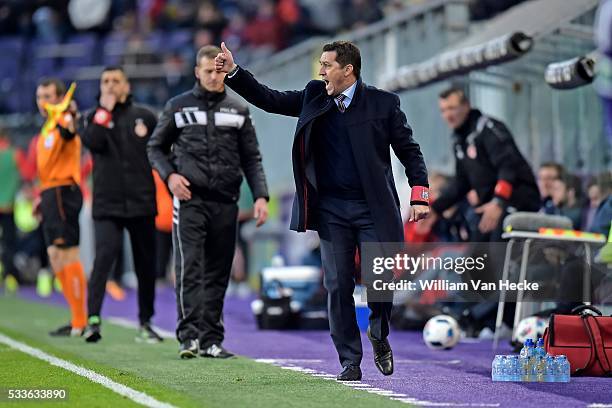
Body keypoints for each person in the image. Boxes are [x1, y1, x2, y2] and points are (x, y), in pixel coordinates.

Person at [215, 40, 430, 380]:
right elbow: (270, 100)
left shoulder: (383, 103)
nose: (321, 71)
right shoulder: (315, 95)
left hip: (374, 208)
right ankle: (350, 360)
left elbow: (409, 151)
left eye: (327, 65)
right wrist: (235, 73)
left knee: (380, 283)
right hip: (332, 210)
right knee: (337, 284)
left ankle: (379, 333)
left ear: (348, 70)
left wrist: (419, 193)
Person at [148, 45, 270, 359]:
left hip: (226, 202)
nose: (215, 77)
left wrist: (260, 196)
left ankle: (212, 340)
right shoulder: (177, 106)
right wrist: (170, 178)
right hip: (190, 200)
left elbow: (252, 158)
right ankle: (188, 337)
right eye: (209, 71)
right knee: (190, 267)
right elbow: (156, 148)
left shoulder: (238, 110)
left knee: (218, 271)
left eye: (219, 71)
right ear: (196, 73)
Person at [81, 66, 162, 344]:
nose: (111, 85)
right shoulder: (93, 118)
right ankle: (92, 320)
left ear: (127, 85)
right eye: (106, 81)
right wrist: (104, 110)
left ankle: (146, 321)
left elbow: (164, 148)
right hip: (107, 204)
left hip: (141, 202)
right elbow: (92, 142)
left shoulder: (146, 117)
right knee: (104, 259)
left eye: (116, 80)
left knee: (146, 265)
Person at [432, 87, 541, 240]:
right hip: (490, 207)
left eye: (451, 108)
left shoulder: (487, 128)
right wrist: (434, 209)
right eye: (443, 110)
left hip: (517, 202)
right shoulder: (460, 142)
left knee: (496, 251)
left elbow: (508, 166)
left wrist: (499, 201)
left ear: (466, 106)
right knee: (475, 257)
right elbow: (461, 183)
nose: (447, 115)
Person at [34, 78, 88, 336]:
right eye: (39, 96)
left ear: (59, 98)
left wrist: (71, 113)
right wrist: (40, 197)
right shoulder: (46, 127)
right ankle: (75, 316)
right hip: (49, 192)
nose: (42, 101)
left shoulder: (63, 119)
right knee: (55, 256)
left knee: (68, 253)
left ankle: (80, 321)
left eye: (47, 96)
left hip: (63, 191)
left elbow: (71, 130)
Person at [0, 129, 25, 287]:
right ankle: (9, 276)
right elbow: (27, 174)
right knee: (9, 242)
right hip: (8, 206)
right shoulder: (15, 154)